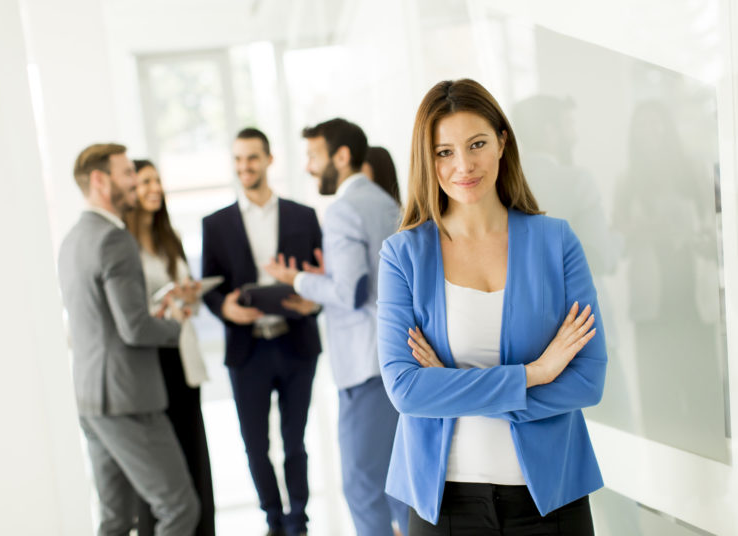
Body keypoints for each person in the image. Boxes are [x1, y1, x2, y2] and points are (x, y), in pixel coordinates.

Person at [376, 79, 607, 535]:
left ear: (502, 142)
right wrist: (532, 374)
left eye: (476, 144)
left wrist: (450, 383)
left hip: (551, 501)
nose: (463, 165)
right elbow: (406, 390)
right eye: (444, 152)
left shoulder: (556, 243)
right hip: (444, 503)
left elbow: (586, 381)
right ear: (429, 160)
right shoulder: (403, 255)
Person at [265, 118, 409, 536]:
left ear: (341, 157)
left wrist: (294, 278)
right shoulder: (388, 202)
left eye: (314, 156)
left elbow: (350, 292)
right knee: (397, 486)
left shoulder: (344, 208)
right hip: (394, 359)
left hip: (365, 366)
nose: (310, 168)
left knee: (362, 486)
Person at [57, 143, 200, 535]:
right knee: (179, 507)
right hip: (128, 398)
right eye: (126, 174)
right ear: (100, 181)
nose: (134, 182)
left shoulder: (72, 240)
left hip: (90, 398)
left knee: (116, 519)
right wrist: (177, 324)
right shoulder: (114, 239)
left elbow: (104, 321)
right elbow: (134, 328)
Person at [201, 128, 322, 536]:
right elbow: (210, 288)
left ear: (269, 160)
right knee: (255, 443)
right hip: (247, 350)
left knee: (295, 441)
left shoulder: (303, 216)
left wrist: (315, 302)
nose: (244, 167)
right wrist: (227, 310)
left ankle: (298, 519)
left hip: (295, 342)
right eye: (237, 160)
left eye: (251, 158)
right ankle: (272, 519)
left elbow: (323, 279)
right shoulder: (215, 224)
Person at [123, 159, 216, 536]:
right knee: (165, 469)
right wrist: (161, 307)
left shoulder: (168, 238)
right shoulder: (124, 246)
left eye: (157, 181)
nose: (153, 188)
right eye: (145, 181)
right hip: (154, 364)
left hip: (182, 359)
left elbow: (185, 307)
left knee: (195, 459)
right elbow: (130, 314)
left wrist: (189, 296)